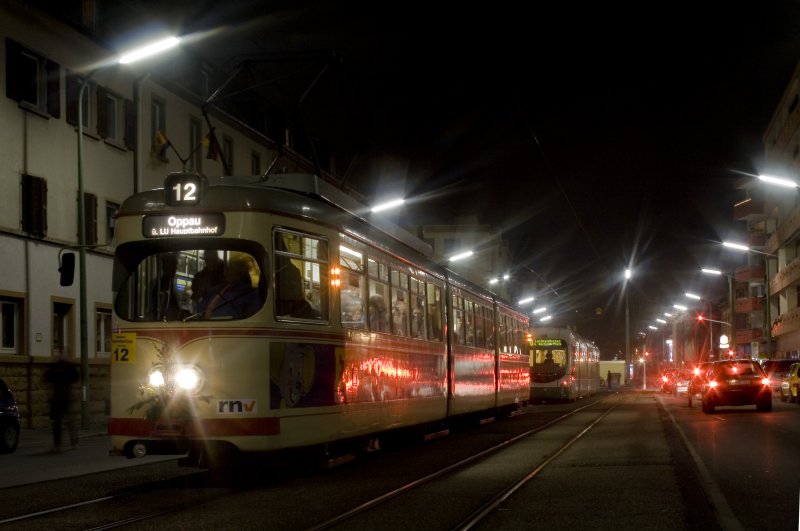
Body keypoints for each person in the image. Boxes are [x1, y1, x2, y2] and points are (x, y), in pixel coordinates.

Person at [44, 353, 80, 452]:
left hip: (66, 397)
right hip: (58, 398)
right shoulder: (54, 367)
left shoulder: (68, 366)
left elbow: (76, 377)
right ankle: (59, 444)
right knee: (58, 422)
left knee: (69, 421)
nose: (59, 356)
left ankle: (72, 442)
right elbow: (47, 378)